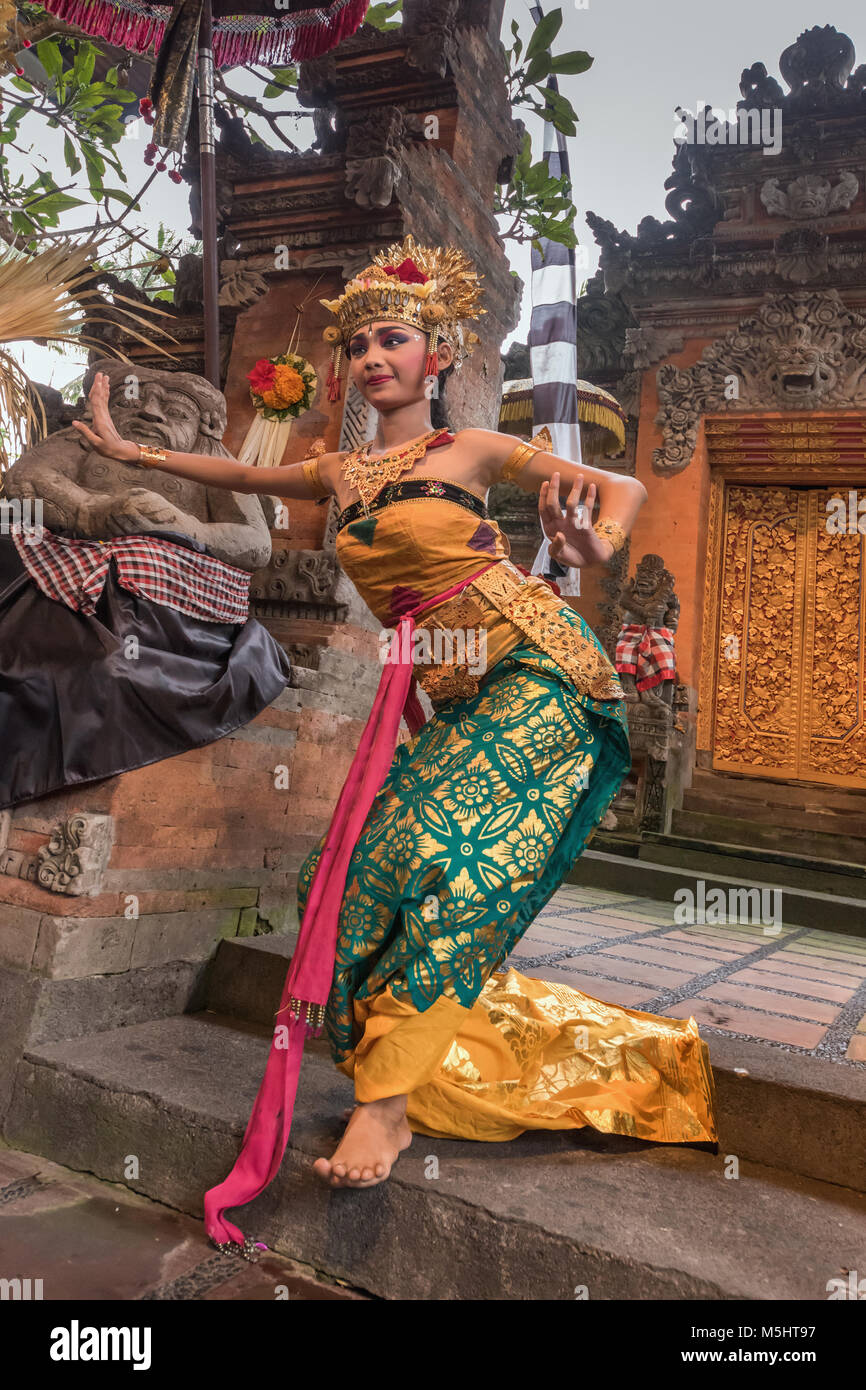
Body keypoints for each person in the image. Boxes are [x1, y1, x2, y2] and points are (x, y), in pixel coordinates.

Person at [75, 233, 717, 1258]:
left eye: (395, 340)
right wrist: (128, 451)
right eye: (362, 343)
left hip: (539, 664)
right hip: (453, 697)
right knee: (370, 875)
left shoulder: (469, 452)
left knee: (450, 858)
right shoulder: (339, 471)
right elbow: (236, 466)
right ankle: (557, 1061)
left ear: (436, 358)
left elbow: (619, 494)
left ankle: (387, 1099)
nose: (375, 356)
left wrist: (593, 544)